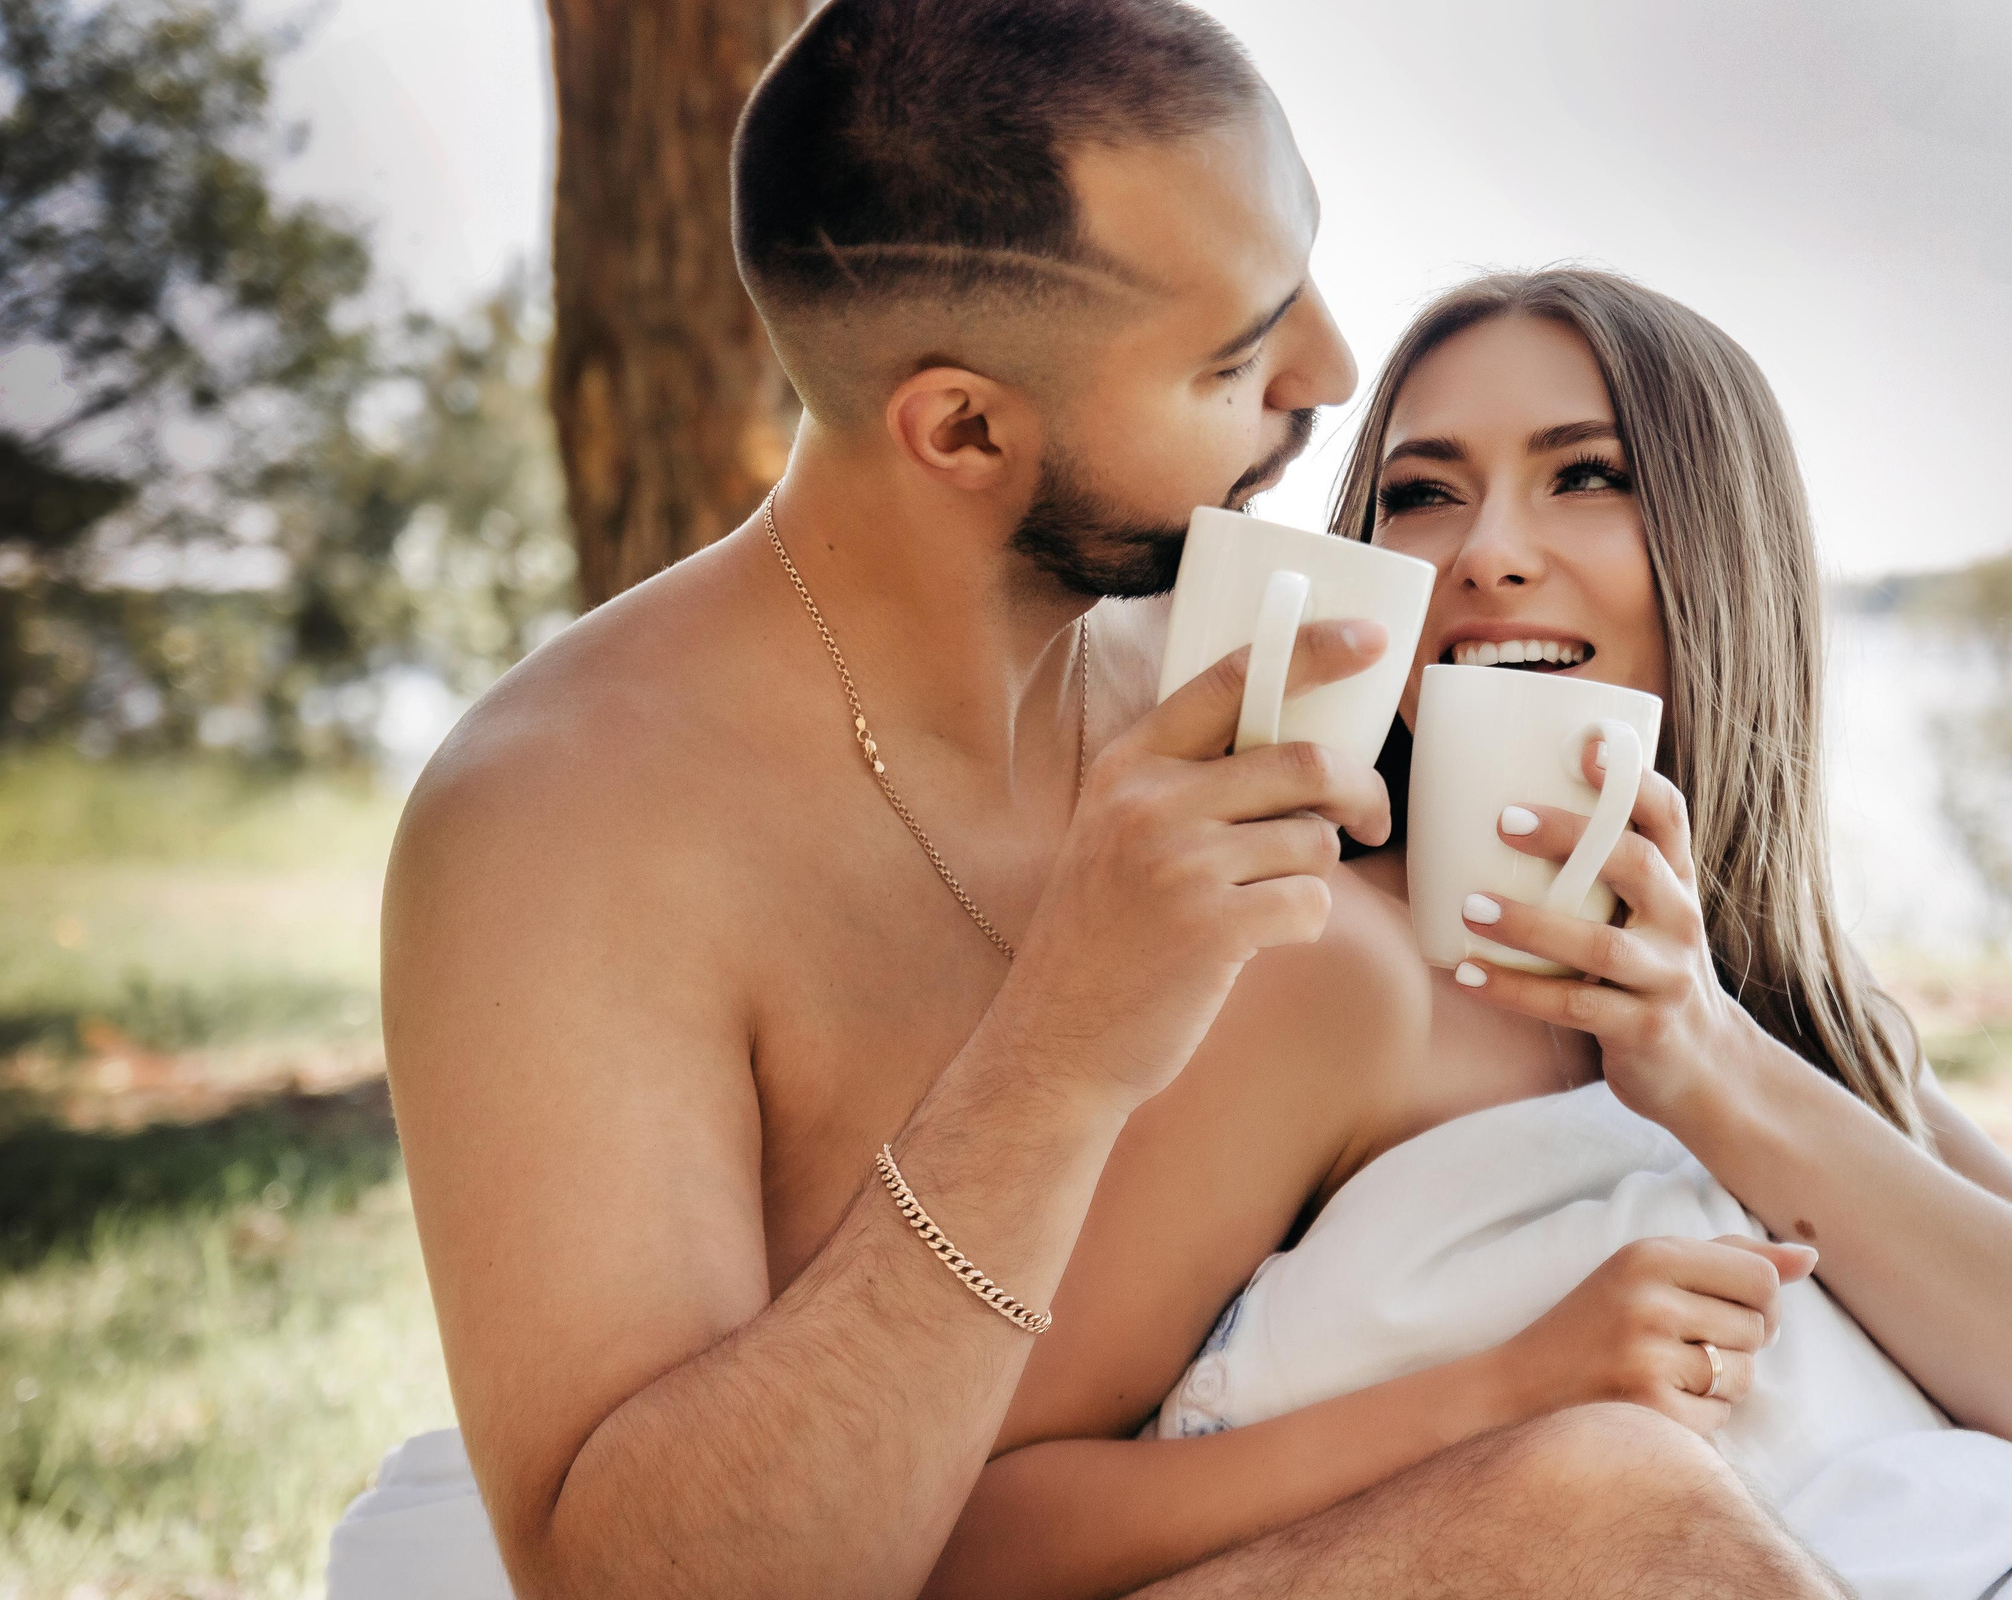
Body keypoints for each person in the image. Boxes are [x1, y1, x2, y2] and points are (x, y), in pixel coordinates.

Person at [359, 2, 1857, 1597]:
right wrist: (1061, 1052)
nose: (1335, 372)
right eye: (1238, 354)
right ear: (964, 428)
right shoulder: (564, 826)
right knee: (1607, 1511)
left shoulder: (1241, 668)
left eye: (1304, 279)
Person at [1091, 269, 2012, 1600]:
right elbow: (975, 1535)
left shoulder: (1782, 998)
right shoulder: (1332, 968)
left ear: (1719, 545)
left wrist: (1710, 1062)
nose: (1487, 549)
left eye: (1583, 477)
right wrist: (1508, 1391)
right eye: (1423, 491)